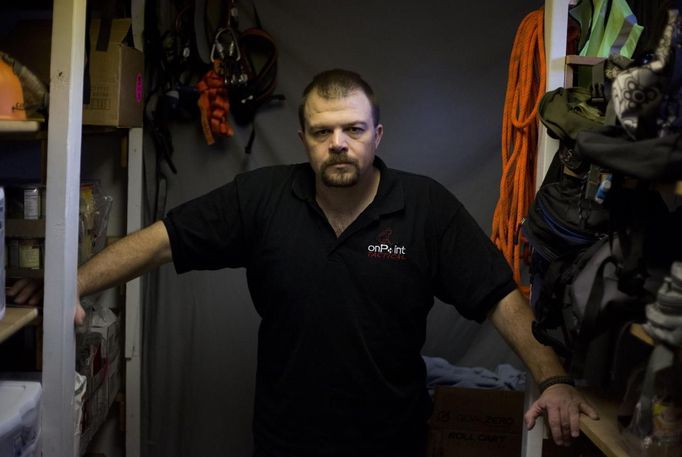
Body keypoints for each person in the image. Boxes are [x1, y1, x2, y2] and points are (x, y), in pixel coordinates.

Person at [9, 69, 598, 457]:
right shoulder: (262, 198)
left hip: (391, 440)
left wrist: (555, 379)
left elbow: (499, 294)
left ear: (377, 135)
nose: (339, 143)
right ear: (304, 138)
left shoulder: (425, 208)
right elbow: (162, 240)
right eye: (323, 131)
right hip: (285, 440)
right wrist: (70, 284)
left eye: (353, 129)